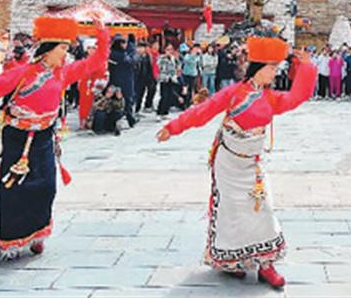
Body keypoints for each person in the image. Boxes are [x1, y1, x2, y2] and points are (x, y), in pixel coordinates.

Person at [156, 36, 317, 289]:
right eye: (272, 68)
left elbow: (297, 96)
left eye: (276, 68)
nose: (275, 73)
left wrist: (307, 68)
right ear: (259, 68)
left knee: (262, 208)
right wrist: (173, 127)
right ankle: (233, 261)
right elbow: (203, 112)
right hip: (228, 163)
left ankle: (266, 264)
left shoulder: (271, 98)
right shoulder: (233, 94)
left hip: (251, 163)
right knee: (231, 213)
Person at [0, 15, 109, 258]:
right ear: (48, 49)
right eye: (63, 48)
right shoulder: (22, 73)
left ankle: (37, 234)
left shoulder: (62, 74)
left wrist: (102, 35)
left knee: (45, 188)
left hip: (43, 139)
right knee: (12, 190)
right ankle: (8, 240)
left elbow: (96, 61)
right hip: (15, 139)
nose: (66, 53)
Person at [108, 34, 138, 127]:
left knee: (116, 101)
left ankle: (117, 120)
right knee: (127, 100)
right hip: (125, 81)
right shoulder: (122, 55)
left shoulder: (111, 54)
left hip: (114, 80)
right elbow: (132, 61)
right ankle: (129, 119)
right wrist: (132, 45)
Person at [77, 38, 107, 129]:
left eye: (93, 48)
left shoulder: (100, 60)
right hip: (84, 85)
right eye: (89, 48)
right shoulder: (84, 60)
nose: (91, 50)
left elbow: (103, 73)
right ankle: (83, 120)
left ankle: (91, 121)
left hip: (95, 85)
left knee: (93, 104)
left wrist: (98, 85)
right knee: (83, 104)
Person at [157, 44, 180, 118]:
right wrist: (165, 57)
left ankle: (165, 112)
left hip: (172, 78)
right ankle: (159, 112)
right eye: (168, 49)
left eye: (171, 49)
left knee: (169, 96)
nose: (169, 51)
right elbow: (158, 65)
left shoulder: (173, 58)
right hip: (164, 78)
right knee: (164, 96)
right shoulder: (162, 58)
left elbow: (178, 65)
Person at [135, 41, 157, 114]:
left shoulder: (147, 56)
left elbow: (149, 68)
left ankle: (138, 109)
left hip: (145, 78)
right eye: (139, 48)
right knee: (137, 95)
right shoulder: (136, 56)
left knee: (142, 94)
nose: (141, 49)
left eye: (142, 48)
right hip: (137, 79)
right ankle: (135, 110)